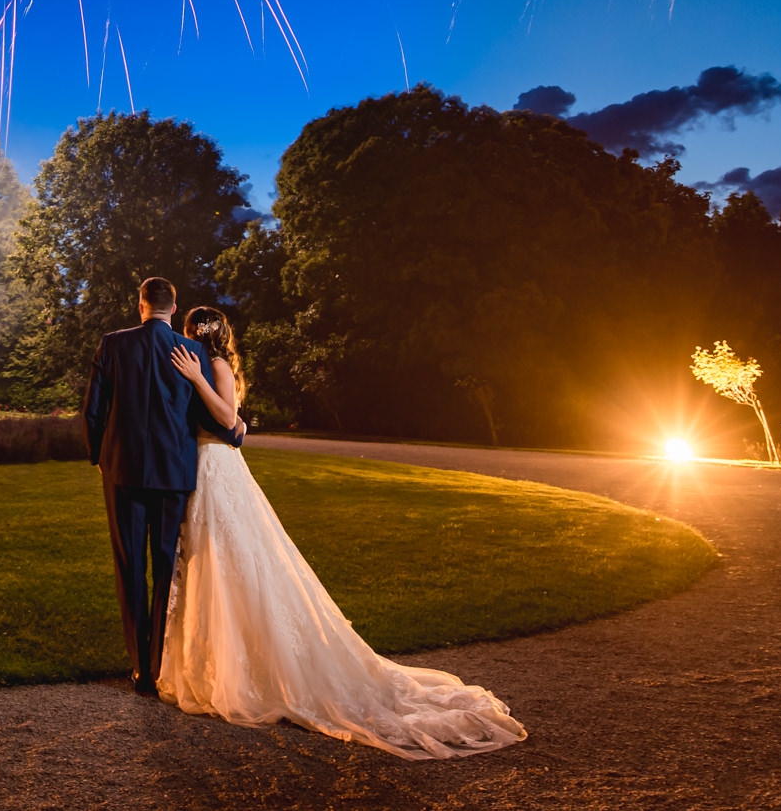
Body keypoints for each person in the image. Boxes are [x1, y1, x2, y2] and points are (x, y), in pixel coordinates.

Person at [158, 305, 528, 760]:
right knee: (213, 564)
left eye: (191, 329)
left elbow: (230, 417)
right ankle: (219, 663)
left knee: (239, 562)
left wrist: (198, 380)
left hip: (219, 469)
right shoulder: (195, 361)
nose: (186, 335)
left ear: (203, 333)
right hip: (202, 468)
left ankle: (261, 672)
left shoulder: (212, 365)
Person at [83, 276, 243, 697]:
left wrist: (100, 456)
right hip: (174, 474)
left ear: (141, 305)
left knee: (131, 567)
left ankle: (142, 671)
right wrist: (237, 430)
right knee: (166, 569)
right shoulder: (192, 352)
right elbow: (210, 418)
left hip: (124, 473)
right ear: (173, 309)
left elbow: (93, 409)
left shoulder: (113, 344)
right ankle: (160, 663)